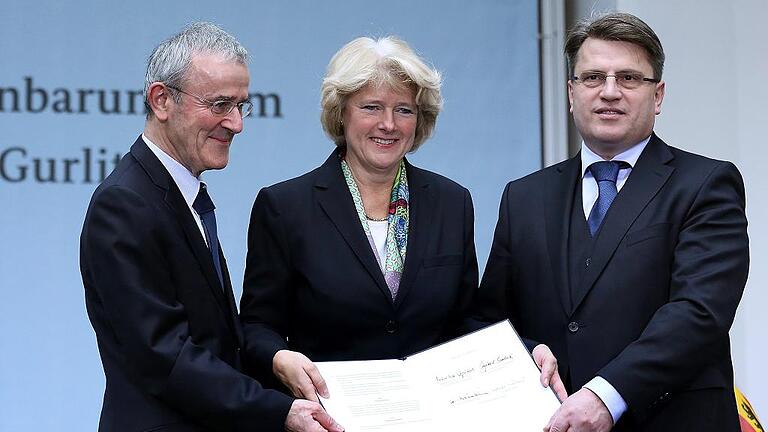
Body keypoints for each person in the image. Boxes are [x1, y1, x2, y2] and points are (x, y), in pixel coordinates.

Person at [239, 36, 566, 404]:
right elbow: (256, 326)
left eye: (404, 110)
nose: (388, 124)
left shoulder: (452, 203)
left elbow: (466, 323)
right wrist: (279, 358)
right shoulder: (285, 207)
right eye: (372, 107)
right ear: (341, 113)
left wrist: (525, 351)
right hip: (330, 417)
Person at [475, 12, 749, 432]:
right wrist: (529, 351)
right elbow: (491, 322)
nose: (609, 92)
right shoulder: (524, 197)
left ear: (657, 95)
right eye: (592, 78)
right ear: (571, 93)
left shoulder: (706, 184)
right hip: (554, 421)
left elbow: (699, 312)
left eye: (628, 78)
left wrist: (607, 394)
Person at [80, 22, 342, 432]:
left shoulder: (181, 194)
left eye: (241, 105)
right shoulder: (125, 204)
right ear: (161, 99)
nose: (236, 123)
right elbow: (165, 354)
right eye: (220, 105)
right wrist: (277, 411)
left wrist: (274, 359)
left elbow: (218, 339)